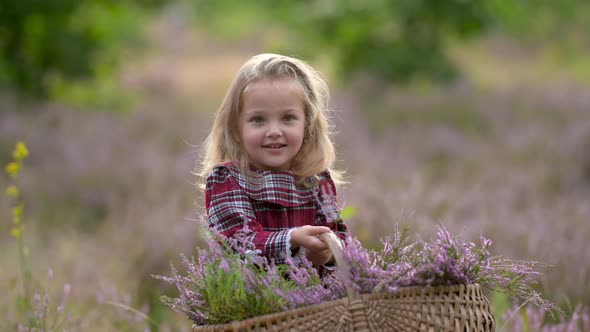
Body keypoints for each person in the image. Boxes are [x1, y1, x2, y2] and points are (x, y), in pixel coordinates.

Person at [198, 53, 348, 268]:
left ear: (307, 126)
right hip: (253, 298)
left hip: (316, 298)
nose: (274, 131)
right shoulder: (229, 180)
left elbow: (340, 237)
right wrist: (293, 239)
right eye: (258, 120)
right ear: (236, 129)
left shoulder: (315, 181)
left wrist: (327, 254)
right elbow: (237, 244)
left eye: (288, 118)